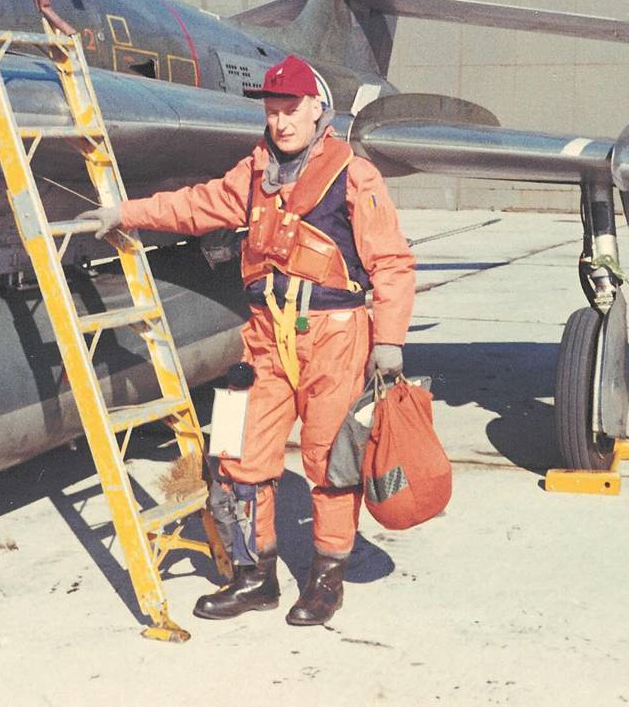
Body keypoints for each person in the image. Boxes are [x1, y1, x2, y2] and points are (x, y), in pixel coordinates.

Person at [77, 54, 415, 626]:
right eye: (273, 110)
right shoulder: (254, 174)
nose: (281, 121)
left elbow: (393, 263)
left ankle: (326, 577)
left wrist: (391, 340)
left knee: (329, 461)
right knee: (234, 456)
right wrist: (125, 213)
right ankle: (254, 576)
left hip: (334, 339)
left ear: (316, 110)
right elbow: (194, 205)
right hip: (263, 338)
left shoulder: (354, 175)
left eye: (292, 109)